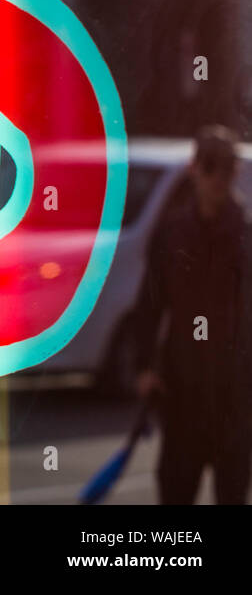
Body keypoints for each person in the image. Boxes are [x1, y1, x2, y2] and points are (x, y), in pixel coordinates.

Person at [133, 125, 252, 504]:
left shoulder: (246, 235)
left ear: (235, 172)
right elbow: (149, 305)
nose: (217, 176)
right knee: (175, 493)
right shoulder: (171, 234)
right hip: (182, 392)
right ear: (194, 168)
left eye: (226, 167)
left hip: (236, 397)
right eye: (210, 165)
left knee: (231, 493)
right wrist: (143, 367)